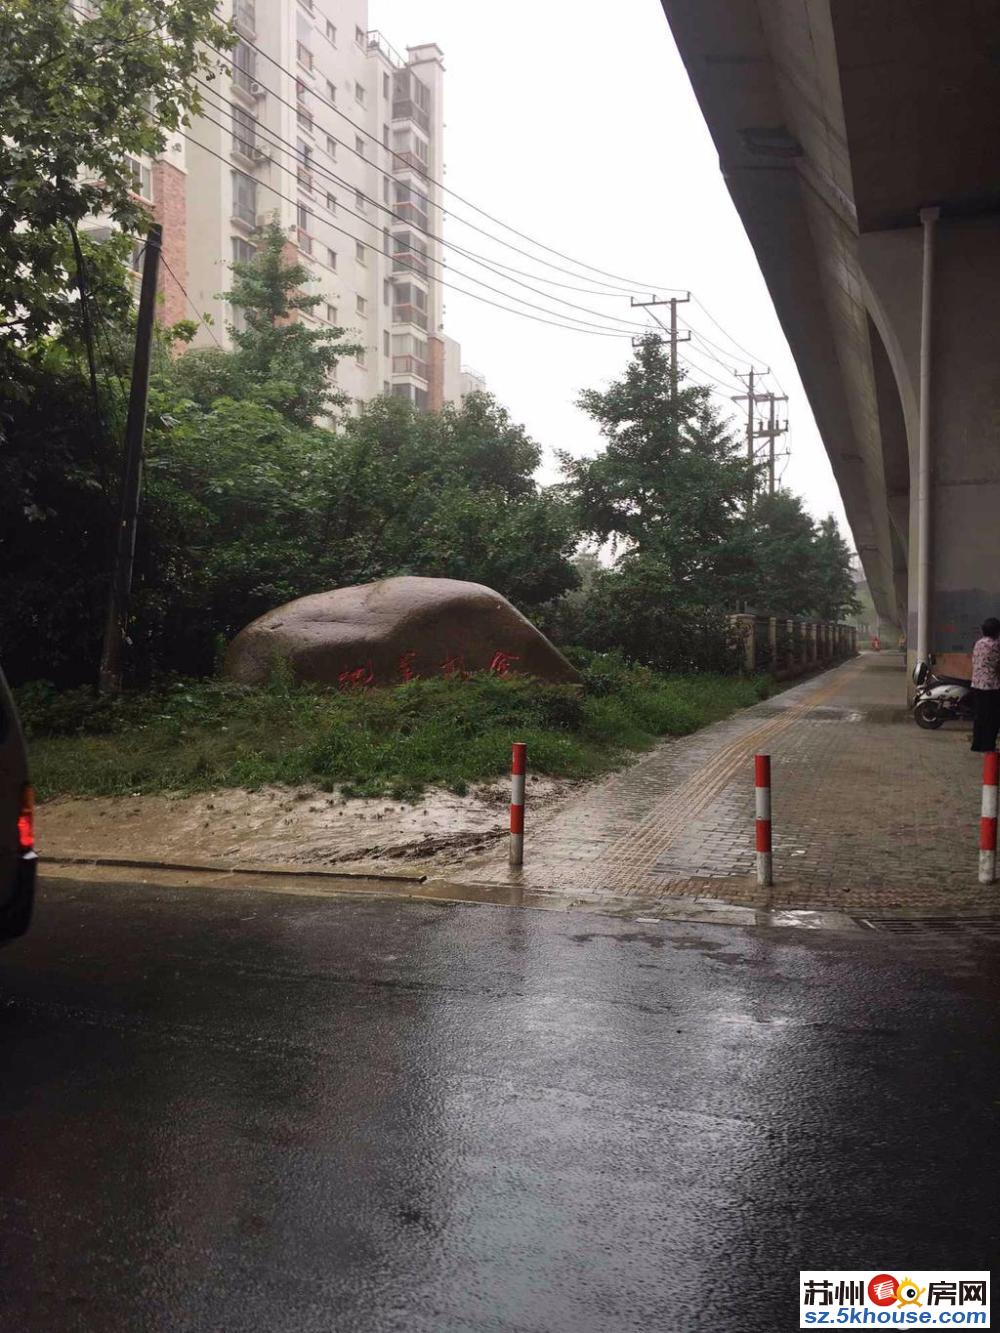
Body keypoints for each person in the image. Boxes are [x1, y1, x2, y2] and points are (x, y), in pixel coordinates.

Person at [970, 617, 1000, 751]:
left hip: (977, 685)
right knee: (992, 717)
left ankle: (977, 744)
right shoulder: (995, 645)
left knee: (980, 715)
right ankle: (988, 745)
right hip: (991, 686)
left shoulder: (978, 643)